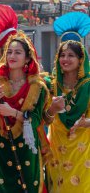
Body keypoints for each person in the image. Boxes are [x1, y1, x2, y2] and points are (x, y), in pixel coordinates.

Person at [0, 31, 50, 192]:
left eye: (18, 52)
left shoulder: (37, 87)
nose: (12, 56)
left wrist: (12, 112)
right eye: (9, 52)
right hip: (0, 148)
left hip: (26, 147)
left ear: (28, 58)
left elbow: (35, 120)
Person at [45, 12, 90, 192]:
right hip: (56, 147)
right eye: (62, 55)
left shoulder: (88, 85)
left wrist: (85, 122)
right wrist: (52, 110)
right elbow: (43, 119)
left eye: (71, 55)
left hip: (83, 148)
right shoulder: (50, 85)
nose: (65, 59)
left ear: (81, 59)